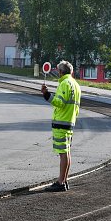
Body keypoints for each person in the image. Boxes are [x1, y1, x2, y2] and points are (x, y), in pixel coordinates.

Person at [41, 60, 81, 192]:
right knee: (67, 152)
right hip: (70, 122)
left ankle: (60, 182)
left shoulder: (64, 83)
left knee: (63, 153)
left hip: (61, 123)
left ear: (60, 72)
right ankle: (64, 180)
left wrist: (47, 95)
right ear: (71, 71)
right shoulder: (75, 84)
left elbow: (60, 103)